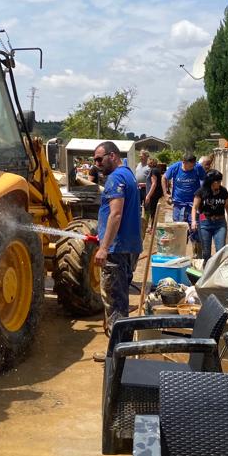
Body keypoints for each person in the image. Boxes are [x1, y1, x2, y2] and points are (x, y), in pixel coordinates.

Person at [92, 140, 142, 334]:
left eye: (99, 159)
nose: (96, 164)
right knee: (121, 300)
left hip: (116, 251)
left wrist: (104, 247)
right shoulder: (128, 174)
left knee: (115, 307)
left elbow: (116, 214)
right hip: (130, 247)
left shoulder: (115, 178)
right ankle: (121, 351)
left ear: (112, 156)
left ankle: (117, 357)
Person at [191, 171, 228, 262]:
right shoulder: (201, 192)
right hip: (204, 222)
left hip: (220, 223)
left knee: (220, 250)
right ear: (211, 181)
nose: (219, 183)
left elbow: (227, 206)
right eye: (217, 181)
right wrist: (194, 221)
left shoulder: (223, 191)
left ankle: (217, 271)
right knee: (206, 252)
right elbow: (195, 207)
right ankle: (207, 269)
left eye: (220, 181)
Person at [163, 152, 208, 227]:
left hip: (194, 203)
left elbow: (205, 181)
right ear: (183, 162)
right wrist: (165, 194)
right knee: (178, 226)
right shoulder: (175, 167)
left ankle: (193, 238)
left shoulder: (198, 167)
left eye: (193, 165)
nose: (192, 168)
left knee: (195, 225)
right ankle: (181, 238)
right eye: (190, 166)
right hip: (178, 203)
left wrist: (203, 196)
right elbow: (164, 178)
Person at [143, 157, 164, 230]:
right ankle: (152, 227)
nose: (147, 162)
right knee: (152, 211)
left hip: (154, 195)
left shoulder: (154, 171)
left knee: (153, 211)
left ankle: (152, 228)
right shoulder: (154, 170)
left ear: (152, 162)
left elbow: (154, 184)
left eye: (148, 161)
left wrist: (148, 196)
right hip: (154, 194)